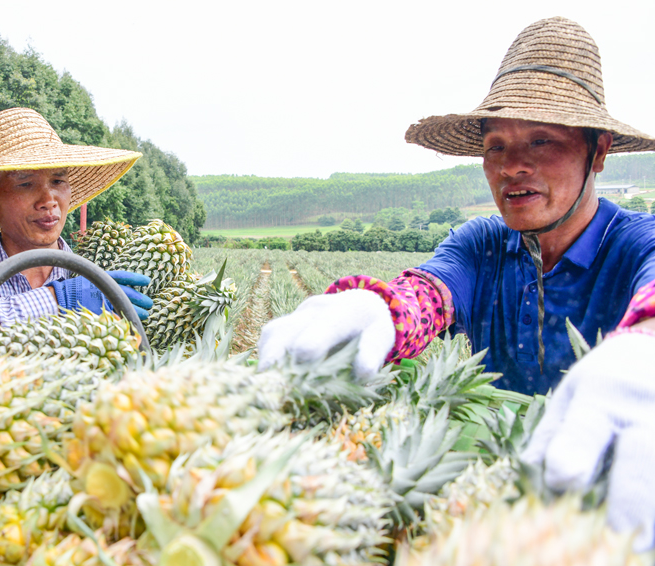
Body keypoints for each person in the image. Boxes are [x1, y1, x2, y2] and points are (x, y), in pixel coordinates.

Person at [259, 17, 655, 549]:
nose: (513, 166)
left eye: (542, 139)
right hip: (486, 502)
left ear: (599, 151)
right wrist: (380, 310)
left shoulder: (635, 242)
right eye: (496, 146)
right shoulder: (481, 244)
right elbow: (426, 293)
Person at [0, 107, 153, 343]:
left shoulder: (98, 271)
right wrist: (57, 299)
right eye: (25, 183)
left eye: (57, 181)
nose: (48, 201)